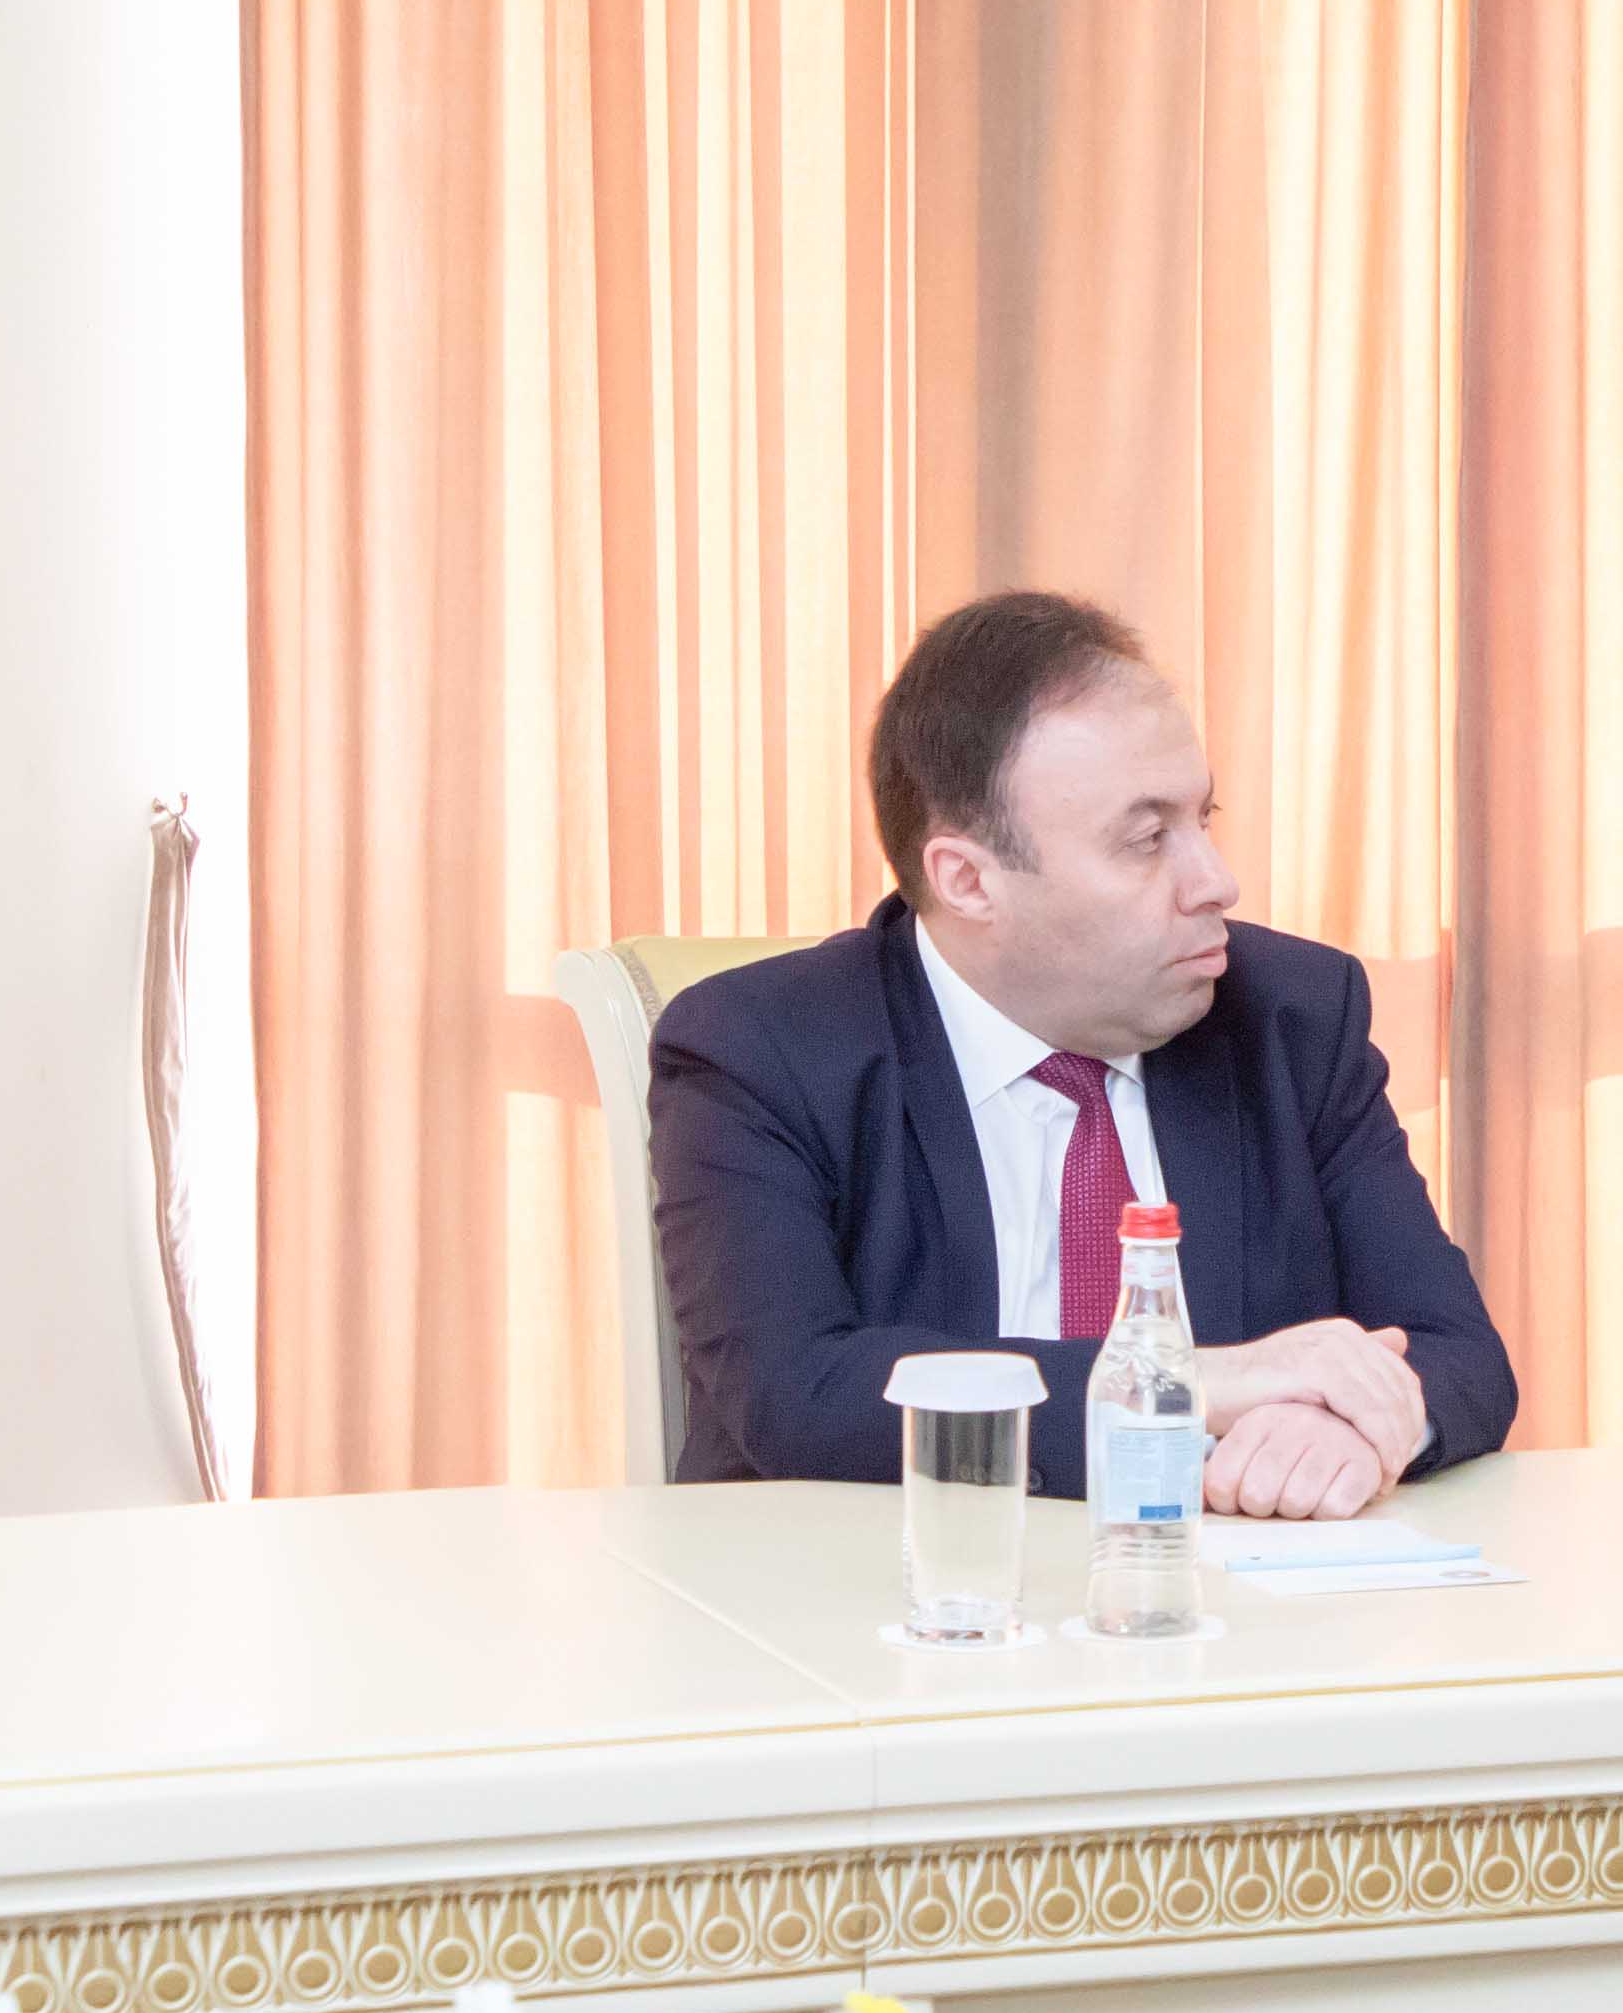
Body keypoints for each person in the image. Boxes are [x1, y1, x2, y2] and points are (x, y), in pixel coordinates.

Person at [646, 593, 1511, 1513]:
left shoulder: (1289, 1017)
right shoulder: (761, 1049)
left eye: (1203, 819)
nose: (1216, 882)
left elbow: (1454, 1351)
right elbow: (797, 1393)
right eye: (1146, 840)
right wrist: (1193, 1386)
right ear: (967, 880)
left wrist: (1347, 1427)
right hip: (871, 1578)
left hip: (1219, 1583)